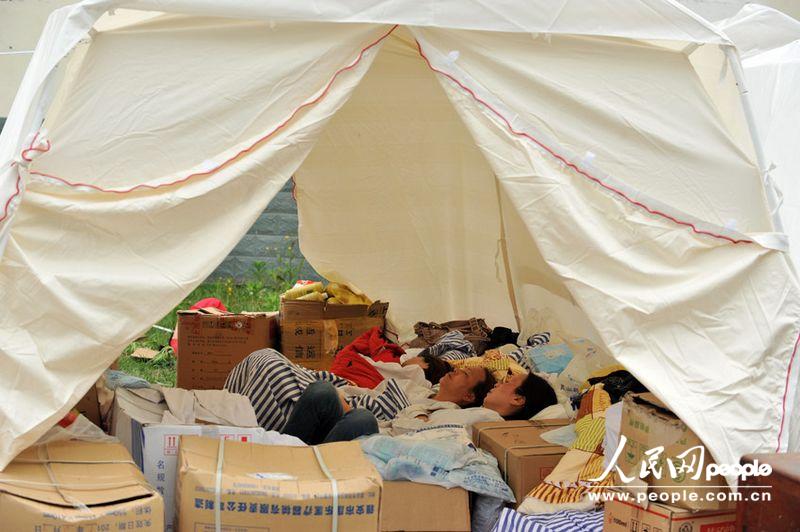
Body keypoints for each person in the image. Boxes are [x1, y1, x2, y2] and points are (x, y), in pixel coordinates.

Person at [224, 348, 495, 442]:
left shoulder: (453, 414)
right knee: (318, 389)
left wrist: (348, 407)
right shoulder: (425, 390)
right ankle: (281, 457)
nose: (456, 371)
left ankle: (306, 476)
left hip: (368, 428)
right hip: (347, 409)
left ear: (470, 396)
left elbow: (403, 426)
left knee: (361, 419)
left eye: (465, 375)